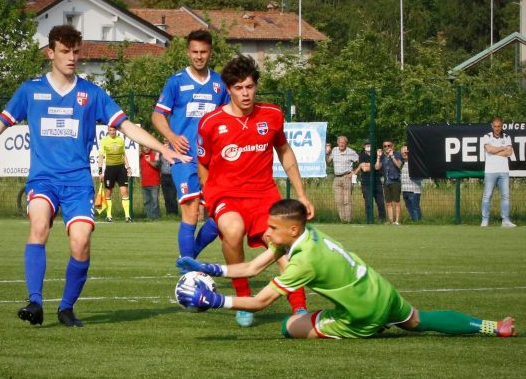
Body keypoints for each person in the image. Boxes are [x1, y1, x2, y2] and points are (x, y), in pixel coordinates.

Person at [0, 25, 189, 328]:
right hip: (43, 179)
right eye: (65, 51)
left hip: (78, 182)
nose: (72, 58)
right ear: (50, 52)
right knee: (39, 225)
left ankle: (67, 308)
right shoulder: (30, 90)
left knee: (81, 241)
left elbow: (127, 126)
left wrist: (164, 147)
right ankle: (35, 301)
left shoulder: (91, 93)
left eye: (76, 52)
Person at [176, 199, 516, 339]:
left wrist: (217, 302)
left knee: (288, 325)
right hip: (381, 290)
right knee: (418, 320)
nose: (266, 233)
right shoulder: (305, 235)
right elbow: (251, 267)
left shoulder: (303, 261)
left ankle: (368, 326)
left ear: (292, 230)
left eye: (272, 229)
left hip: (365, 313)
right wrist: (209, 267)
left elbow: (261, 302)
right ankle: (492, 327)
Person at [197, 55, 315, 327]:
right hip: (226, 195)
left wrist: (301, 193)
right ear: (229, 90)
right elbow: (202, 164)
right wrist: (208, 197)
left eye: (249, 87)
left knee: (281, 249)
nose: (245, 93)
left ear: (256, 86)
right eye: (239, 88)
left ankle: (299, 308)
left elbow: (284, 152)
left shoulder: (272, 115)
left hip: (265, 197)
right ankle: (243, 298)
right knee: (233, 230)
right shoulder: (210, 122)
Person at [152, 29, 230, 260]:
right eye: (194, 52)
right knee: (191, 210)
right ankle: (189, 271)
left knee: (219, 216)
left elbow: (229, 117)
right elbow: (157, 116)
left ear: (210, 53)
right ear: (188, 52)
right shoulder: (176, 82)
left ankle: (189, 259)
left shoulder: (220, 83)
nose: (198, 56)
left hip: (214, 160)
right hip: (184, 157)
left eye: (203, 52)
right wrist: (172, 136)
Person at [481, 117, 516, 228]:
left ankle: (505, 220)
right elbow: (489, 150)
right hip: (490, 171)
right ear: (492, 126)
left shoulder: (507, 137)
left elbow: (509, 152)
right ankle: (485, 220)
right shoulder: (486, 136)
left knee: (505, 196)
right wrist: (502, 148)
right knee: (487, 196)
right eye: (495, 126)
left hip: (504, 171)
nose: (497, 128)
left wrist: (494, 151)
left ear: (502, 126)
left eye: (499, 126)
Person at [98, 125, 132, 222]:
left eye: (113, 130)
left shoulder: (120, 139)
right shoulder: (104, 140)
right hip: (110, 169)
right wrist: (100, 172)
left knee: (124, 192)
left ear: (116, 130)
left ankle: (127, 216)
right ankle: (109, 216)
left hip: (121, 168)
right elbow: (101, 156)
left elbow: (123, 154)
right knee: (108, 193)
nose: (112, 132)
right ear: (108, 131)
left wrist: (128, 167)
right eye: (110, 130)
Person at [326, 136, 358, 222]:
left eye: (343, 142)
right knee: (338, 200)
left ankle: (348, 220)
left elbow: (360, 161)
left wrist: (354, 172)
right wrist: (327, 153)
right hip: (336, 178)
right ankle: (342, 220)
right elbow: (328, 162)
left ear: (346, 143)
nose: (341, 144)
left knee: (347, 200)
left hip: (347, 177)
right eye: (340, 142)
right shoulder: (334, 150)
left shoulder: (351, 152)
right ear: (337, 143)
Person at [354, 139, 386, 223]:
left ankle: (382, 219)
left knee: (380, 202)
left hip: (377, 181)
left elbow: (378, 167)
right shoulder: (361, 155)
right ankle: (369, 220)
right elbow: (364, 169)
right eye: (366, 144)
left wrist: (377, 159)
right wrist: (373, 165)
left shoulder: (377, 155)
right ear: (364, 146)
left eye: (369, 144)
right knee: (368, 202)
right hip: (366, 182)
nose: (368, 146)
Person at [375, 139, 403, 225]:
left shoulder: (397, 154)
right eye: (385, 146)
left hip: (395, 181)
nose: (387, 147)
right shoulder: (382, 156)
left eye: (389, 146)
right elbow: (377, 167)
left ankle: (397, 221)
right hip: (386, 182)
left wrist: (392, 156)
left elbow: (399, 165)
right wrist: (378, 157)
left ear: (392, 146)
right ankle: (391, 220)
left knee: (397, 202)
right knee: (388, 202)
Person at [400, 145, 422, 221]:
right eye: (402, 153)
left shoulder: (415, 163)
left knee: (415, 207)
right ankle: (413, 220)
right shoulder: (402, 163)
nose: (404, 154)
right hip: (405, 190)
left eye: (406, 152)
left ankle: (418, 221)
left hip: (414, 190)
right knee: (409, 207)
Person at [140, 145, 161, 220]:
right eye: (144, 147)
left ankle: (156, 218)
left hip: (154, 183)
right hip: (144, 183)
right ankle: (149, 217)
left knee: (154, 202)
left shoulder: (155, 155)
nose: (146, 148)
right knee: (146, 202)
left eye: (148, 146)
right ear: (142, 147)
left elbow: (157, 165)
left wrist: (149, 162)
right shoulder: (140, 156)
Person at [159, 142, 179, 216]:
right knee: (166, 196)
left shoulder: (174, 151)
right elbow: (157, 163)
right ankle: (168, 213)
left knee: (172, 196)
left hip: (172, 175)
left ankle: (174, 213)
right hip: (164, 176)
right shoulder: (161, 152)